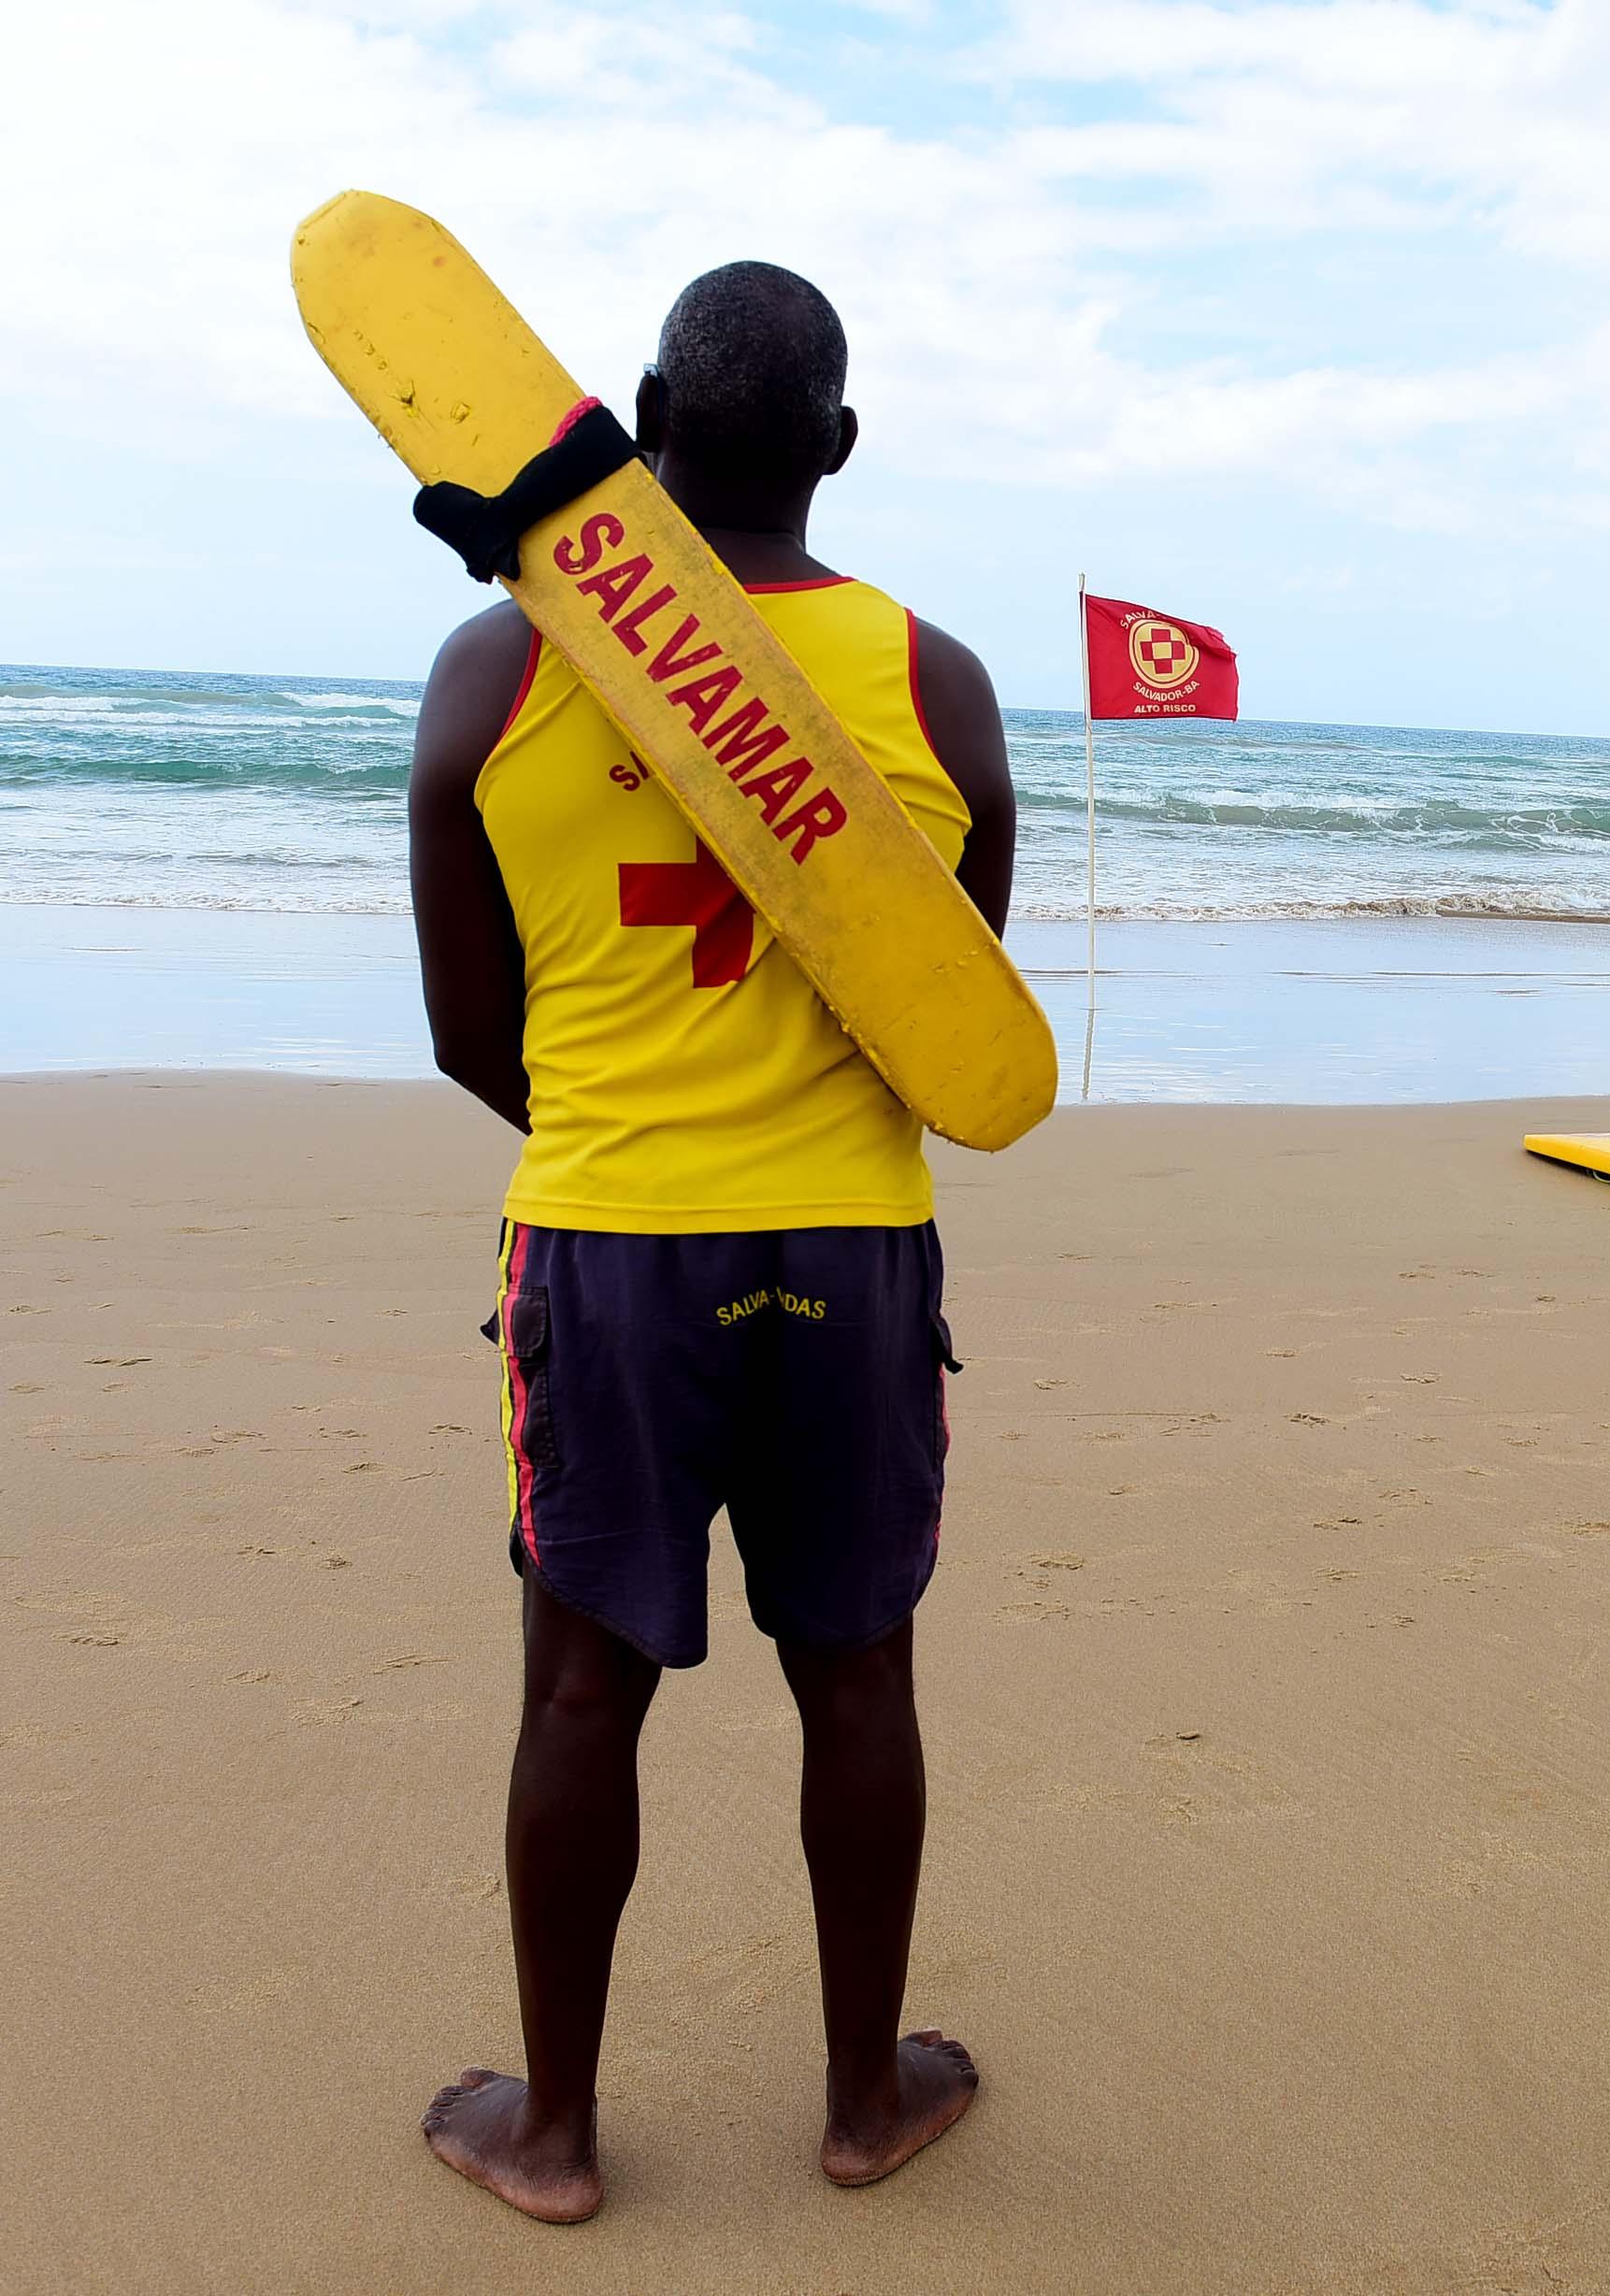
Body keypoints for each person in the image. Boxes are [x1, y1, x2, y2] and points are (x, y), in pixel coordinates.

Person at [403, 261, 1014, 2218]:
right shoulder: (932, 680)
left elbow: (461, 1029)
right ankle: (862, 2102)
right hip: (851, 1252)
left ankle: (560, 2133)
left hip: (612, 1247)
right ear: (838, 446)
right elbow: (951, 1008)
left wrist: (624, 1131)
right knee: (860, 1674)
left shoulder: (500, 668)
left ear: (644, 410)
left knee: (580, 1687)